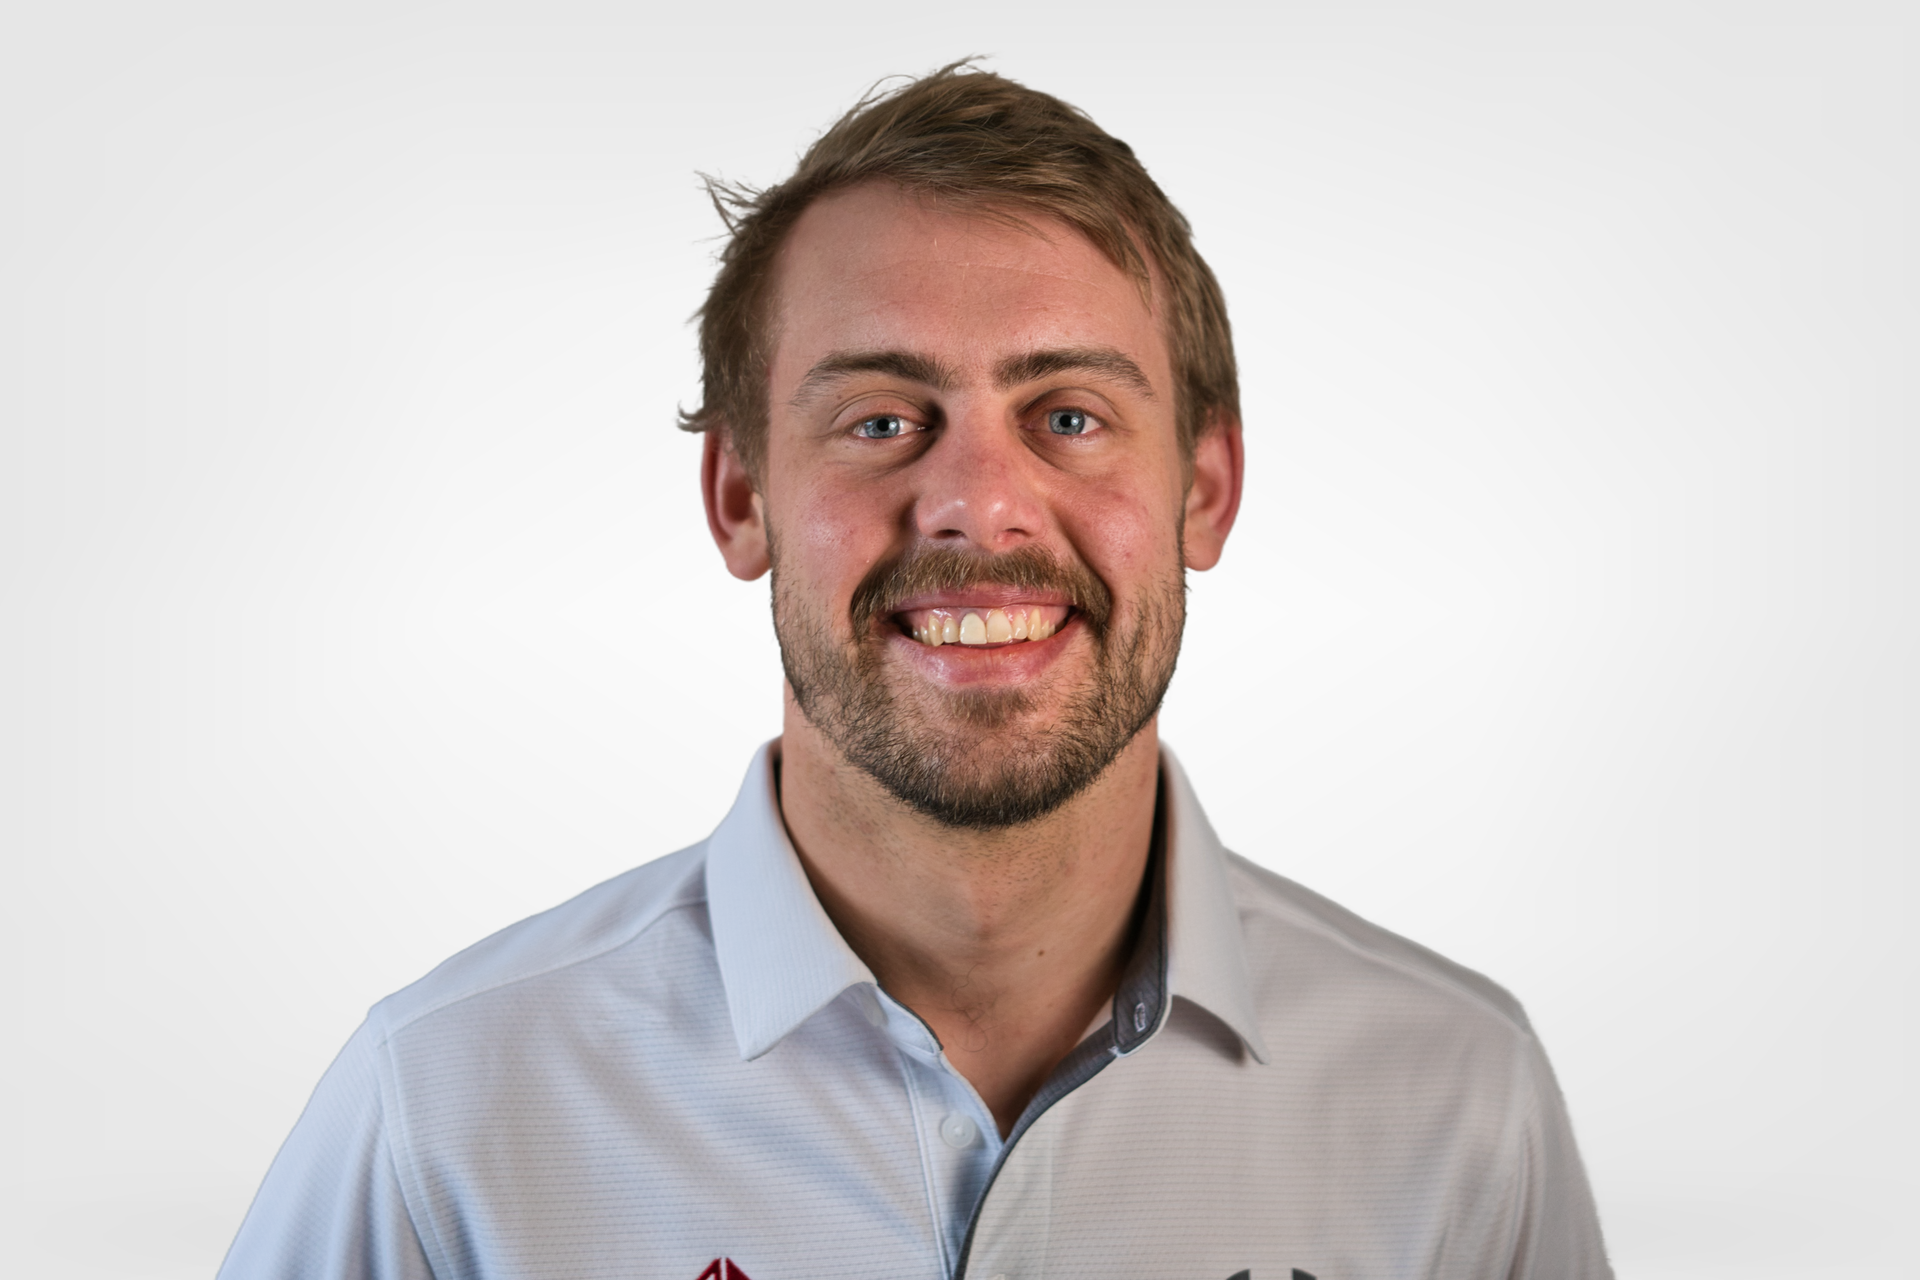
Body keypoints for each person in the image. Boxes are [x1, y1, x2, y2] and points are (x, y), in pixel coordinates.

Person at [220, 63, 1611, 1280]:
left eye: (1068, 415)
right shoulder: (448, 1110)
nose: (978, 505)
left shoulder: (1456, 1101)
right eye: (883, 419)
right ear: (740, 501)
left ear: (1205, 489)